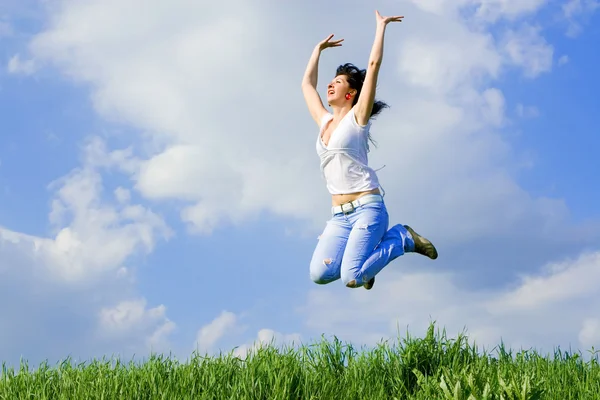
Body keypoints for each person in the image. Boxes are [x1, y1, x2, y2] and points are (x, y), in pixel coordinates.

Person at [301, 10, 438, 290]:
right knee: (319, 274)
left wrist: (381, 28)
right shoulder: (324, 121)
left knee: (351, 277)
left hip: (367, 209)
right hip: (339, 216)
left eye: (338, 82)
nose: (331, 84)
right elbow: (307, 85)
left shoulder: (357, 119)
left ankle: (402, 238)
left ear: (350, 95)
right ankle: (367, 261)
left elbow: (373, 64)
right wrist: (317, 50)